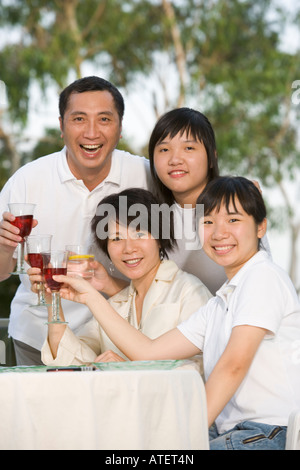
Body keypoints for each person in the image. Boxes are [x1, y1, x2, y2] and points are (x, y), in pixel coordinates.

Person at [53, 177, 300, 450]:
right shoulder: (220, 302)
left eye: (233, 220)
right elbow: (148, 352)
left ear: (261, 227)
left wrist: (184, 437)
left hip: (271, 432)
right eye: (208, 222)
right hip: (230, 432)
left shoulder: (262, 276)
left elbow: (234, 366)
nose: (218, 233)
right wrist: (89, 297)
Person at [0, 76, 152, 366]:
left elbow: (196, 207)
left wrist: (241, 190)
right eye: (79, 119)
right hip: (38, 339)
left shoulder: (145, 176)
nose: (91, 132)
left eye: (104, 119)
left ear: (120, 127)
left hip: (120, 338)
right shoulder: (27, 181)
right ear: (61, 126)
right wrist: (5, 249)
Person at [31, 188, 211, 365]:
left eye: (139, 234)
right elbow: (70, 359)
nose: (129, 248)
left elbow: (199, 369)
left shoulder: (189, 291)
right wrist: (52, 300)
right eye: (116, 239)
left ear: (159, 239)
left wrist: (126, 368)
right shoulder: (116, 303)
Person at [148, 107, 270, 294]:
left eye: (189, 148)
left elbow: (261, 285)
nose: (175, 159)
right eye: (164, 149)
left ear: (212, 157)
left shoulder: (236, 207)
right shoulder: (152, 220)